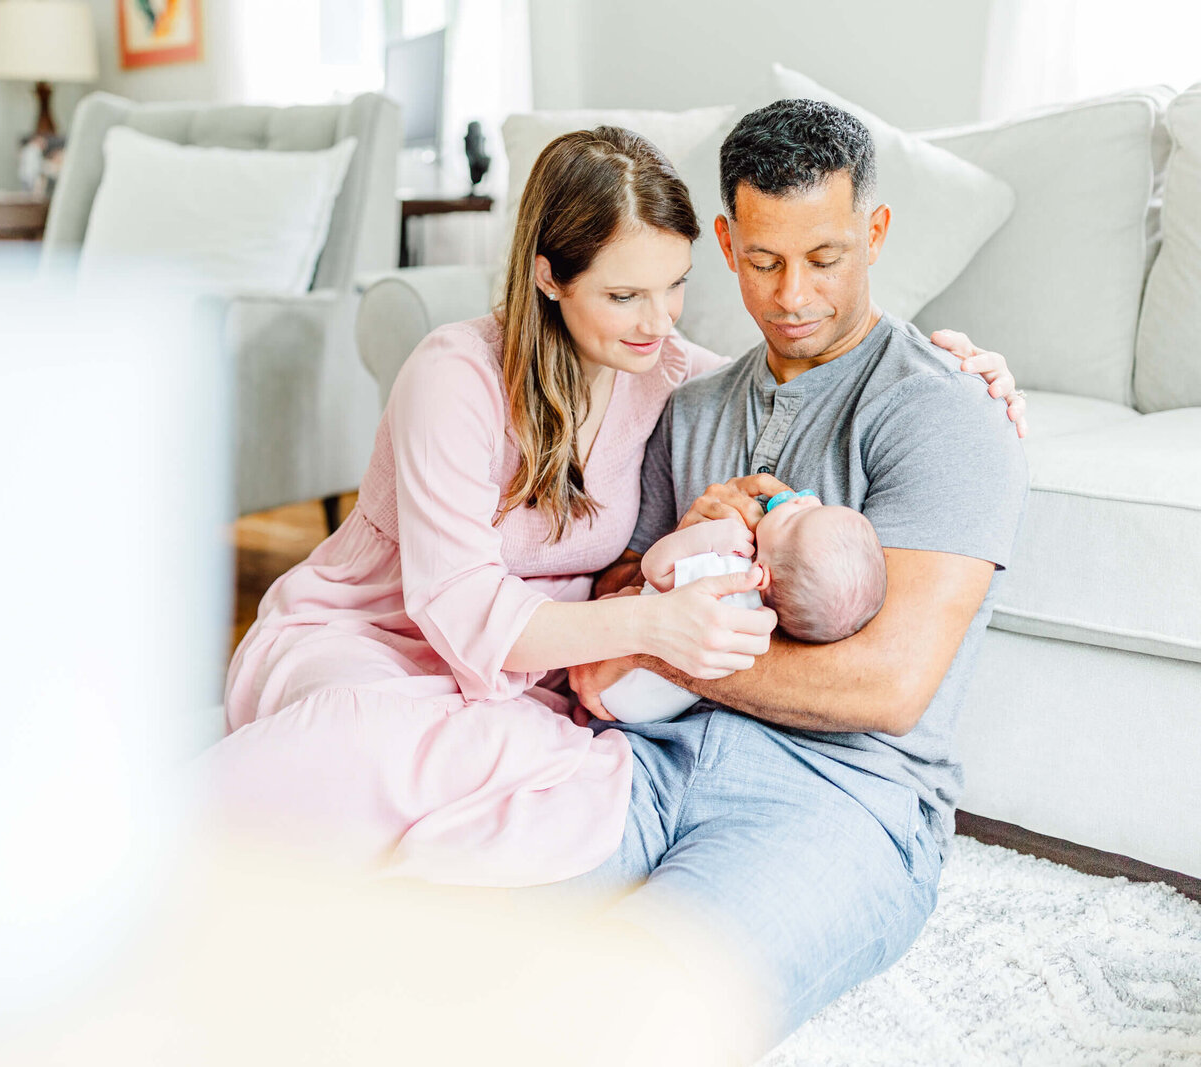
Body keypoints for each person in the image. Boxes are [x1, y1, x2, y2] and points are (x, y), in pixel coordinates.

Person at [201, 121, 1025, 897]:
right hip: (374, 637)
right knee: (381, 732)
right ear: (549, 275)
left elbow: (794, 376)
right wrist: (650, 633)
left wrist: (969, 373)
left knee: (564, 780)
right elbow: (457, 607)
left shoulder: (670, 374)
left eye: (674, 288)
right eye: (626, 294)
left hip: (530, 679)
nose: (658, 322)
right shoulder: (452, 376)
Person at [564, 99, 1030, 1042]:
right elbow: (607, 607)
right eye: (765, 261)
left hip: (840, 796)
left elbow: (888, 687)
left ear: (875, 232)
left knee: (635, 1007)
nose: (792, 296)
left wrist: (671, 652)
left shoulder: (941, 413)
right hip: (652, 758)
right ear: (728, 244)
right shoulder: (688, 410)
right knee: (449, 932)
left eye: (825, 258)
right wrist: (668, 562)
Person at [600, 490, 886, 723]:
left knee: (613, 604)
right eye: (817, 507)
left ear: (762, 574)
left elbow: (655, 569)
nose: (806, 499)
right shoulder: (763, 626)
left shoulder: (727, 570)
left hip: (619, 682)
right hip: (647, 711)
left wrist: (707, 536)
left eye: (795, 518)